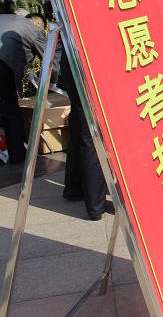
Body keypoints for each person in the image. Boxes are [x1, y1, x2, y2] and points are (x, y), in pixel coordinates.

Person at [0, 13, 47, 165]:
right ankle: (17, 156)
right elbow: (50, 56)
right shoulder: (33, 28)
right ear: (38, 23)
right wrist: (55, 80)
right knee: (10, 110)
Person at [59, 55, 109, 220]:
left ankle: (74, 188)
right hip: (90, 66)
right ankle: (96, 206)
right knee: (91, 138)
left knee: (79, 130)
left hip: (72, 65)